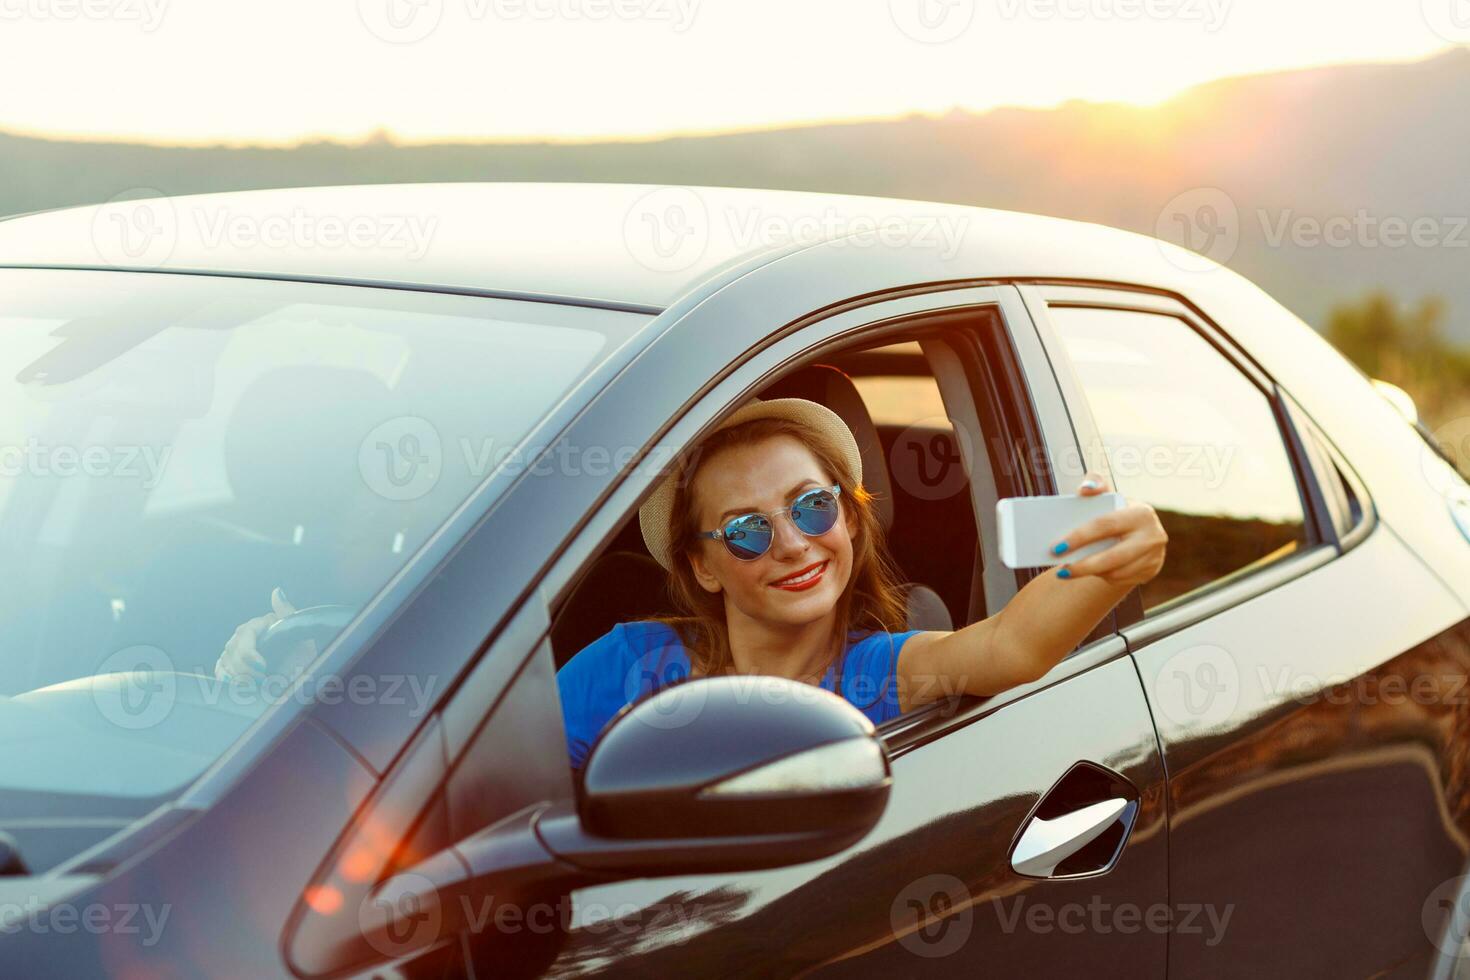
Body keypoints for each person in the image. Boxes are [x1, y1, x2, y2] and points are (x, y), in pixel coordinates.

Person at [555, 396, 1167, 769]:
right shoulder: (625, 665)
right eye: (746, 530)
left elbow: (1012, 647)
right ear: (702, 567)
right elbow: (500, 799)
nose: (794, 544)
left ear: (848, 516)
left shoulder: (882, 674)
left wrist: (1125, 554)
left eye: (812, 507)